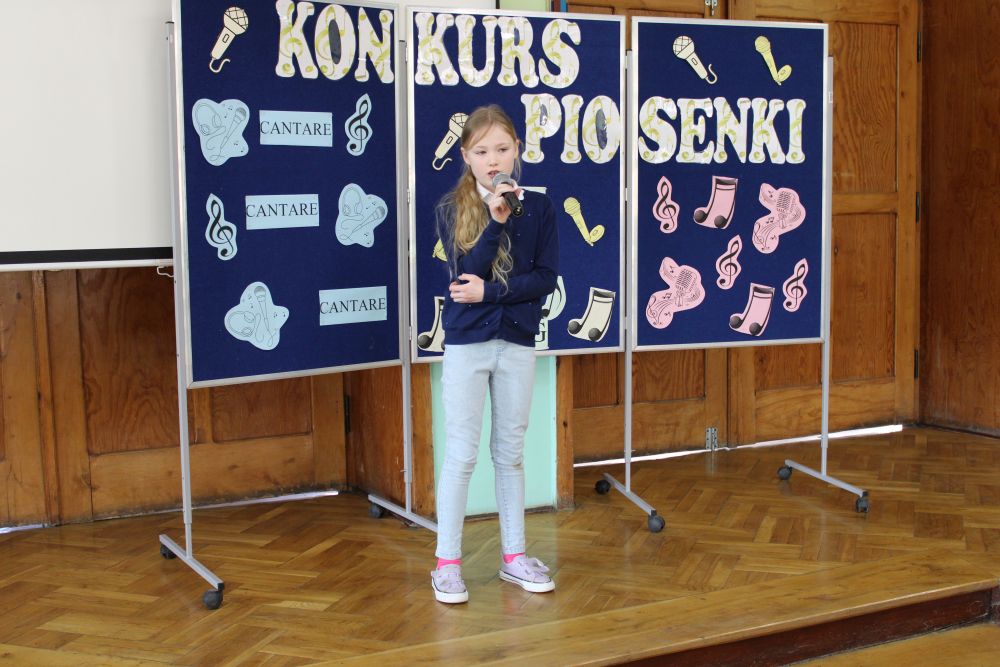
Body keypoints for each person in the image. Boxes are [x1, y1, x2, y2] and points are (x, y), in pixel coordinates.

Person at [430, 105, 559, 604]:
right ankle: (446, 564)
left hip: (518, 342)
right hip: (468, 344)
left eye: (502, 149)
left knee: (510, 452)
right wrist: (495, 222)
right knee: (461, 454)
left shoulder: (540, 209)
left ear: (517, 151)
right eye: (482, 151)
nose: (493, 160)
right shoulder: (452, 208)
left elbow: (544, 279)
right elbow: (466, 274)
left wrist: (491, 294)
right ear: (466, 156)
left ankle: (513, 556)